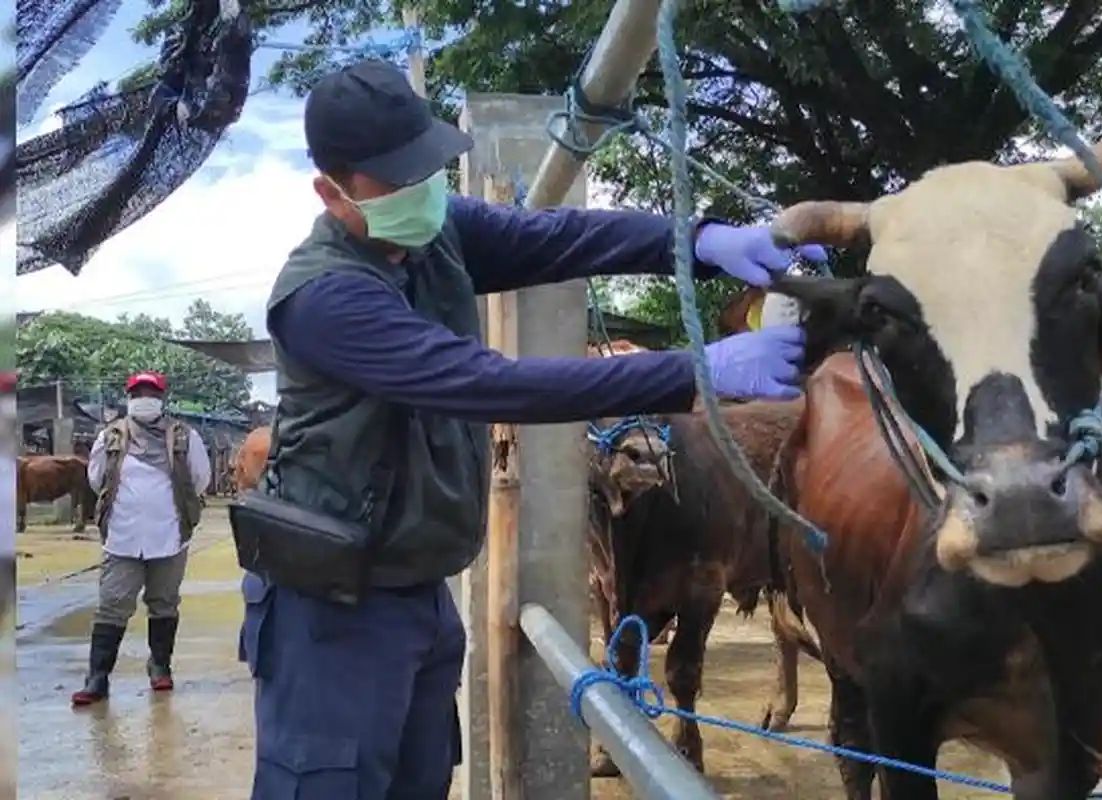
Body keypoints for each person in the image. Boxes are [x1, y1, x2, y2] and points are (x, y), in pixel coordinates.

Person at [240, 59, 824, 799]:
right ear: (333, 192)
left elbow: (561, 238)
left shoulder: (434, 232)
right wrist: (698, 372)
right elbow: (490, 383)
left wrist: (702, 242)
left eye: (428, 168)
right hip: (331, 615)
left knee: (418, 784)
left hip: (417, 592)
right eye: (397, 180)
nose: (423, 191)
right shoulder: (325, 298)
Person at [71, 372, 211, 707]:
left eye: (151, 391)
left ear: (162, 398)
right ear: (129, 396)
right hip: (123, 536)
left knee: (164, 601)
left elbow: (200, 478)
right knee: (112, 604)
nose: (144, 396)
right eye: (139, 391)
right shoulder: (110, 436)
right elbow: (96, 479)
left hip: (170, 535)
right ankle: (98, 678)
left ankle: (160, 667)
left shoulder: (184, 437)